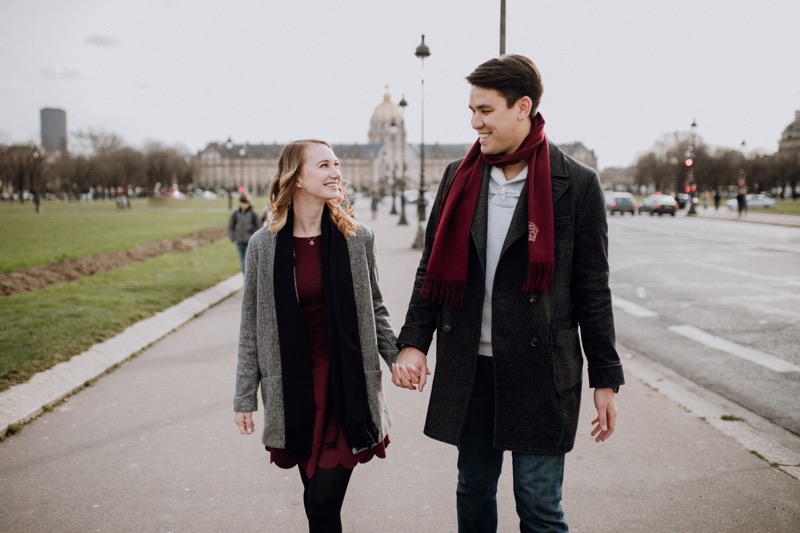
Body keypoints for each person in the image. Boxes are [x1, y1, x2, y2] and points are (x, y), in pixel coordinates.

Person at [391, 55, 625, 532]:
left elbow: (593, 290)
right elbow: (430, 269)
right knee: (473, 488)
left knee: (538, 504)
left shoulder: (578, 184)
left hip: (542, 367)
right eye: (471, 110)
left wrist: (605, 378)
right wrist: (413, 341)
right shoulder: (458, 175)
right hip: (471, 364)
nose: (475, 122)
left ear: (523, 107)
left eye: (485, 111)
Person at [233, 139, 398, 533]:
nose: (336, 172)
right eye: (324, 165)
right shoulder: (263, 246)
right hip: (294, 392)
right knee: (317, 506)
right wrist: (244, 397)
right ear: (297, 178)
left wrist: (397, 357)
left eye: (336, 164)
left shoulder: (358, 238)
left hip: (347, 388)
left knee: (322, 500)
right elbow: (251, 327)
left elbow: (374, 307)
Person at [227, 193, 262, 273]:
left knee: (246, 262)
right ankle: (245, 278)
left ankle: (248, 278)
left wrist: (253, 238)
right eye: (242, 202)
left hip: (249, 242)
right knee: (242, 262)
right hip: (239, 242)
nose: (244, 205)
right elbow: (230, 226)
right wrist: (233, 238)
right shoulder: (236, 213)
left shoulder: (253, 213)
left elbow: (259, 226)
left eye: (246, 203)